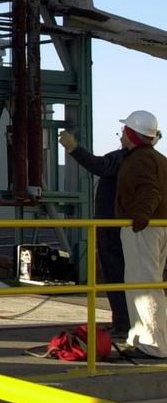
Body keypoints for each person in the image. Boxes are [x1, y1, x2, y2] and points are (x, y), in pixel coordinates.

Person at [60, 129, 132, 339]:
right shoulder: (152, 160)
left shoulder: (122, 158)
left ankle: (123, 324)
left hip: (112, 229)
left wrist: (74, 149)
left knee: (116, 276)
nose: (120, 136)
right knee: (136, 279)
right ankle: (126, 322)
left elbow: (99, 165)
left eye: (124, 132)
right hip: (129, 229)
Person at [115, 110, 167, 358]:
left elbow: (149, 191)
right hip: (158, 227)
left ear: (132, 135)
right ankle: (140, 337)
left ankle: (152, 345)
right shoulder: (158, 159)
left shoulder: (139, 161)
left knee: (144, 286)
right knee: (144, 283)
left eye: (124, 132)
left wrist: (139, 218)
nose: (121, 136)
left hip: (145, 229)